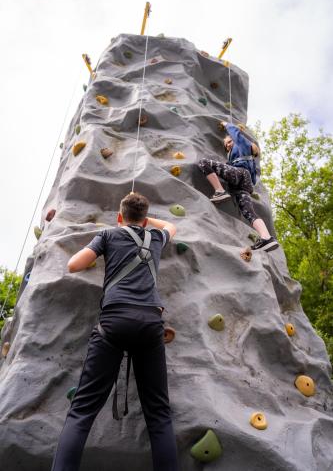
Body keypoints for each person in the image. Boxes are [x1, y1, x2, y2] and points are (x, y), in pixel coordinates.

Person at [51, 193, 179, 471]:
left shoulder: (109, 235)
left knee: (82, 411)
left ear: (119, 217)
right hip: (150, 323)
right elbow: (171, 226)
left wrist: (118, 229)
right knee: (159, 414)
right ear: (145, 220)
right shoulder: (155, 238)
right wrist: (146, 221)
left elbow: (74, 264)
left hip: (115, 321)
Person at [198, 121, 279, 252]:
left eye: (229, 142)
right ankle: (266, 238)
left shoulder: (242, 146)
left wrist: (226, 125)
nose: (227, 145)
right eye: (226, 145)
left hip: (240, 174)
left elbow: (236, 134)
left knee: (203, 163)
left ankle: (219, 191)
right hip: (244, 184)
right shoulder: (243, 158)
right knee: (248, 212)